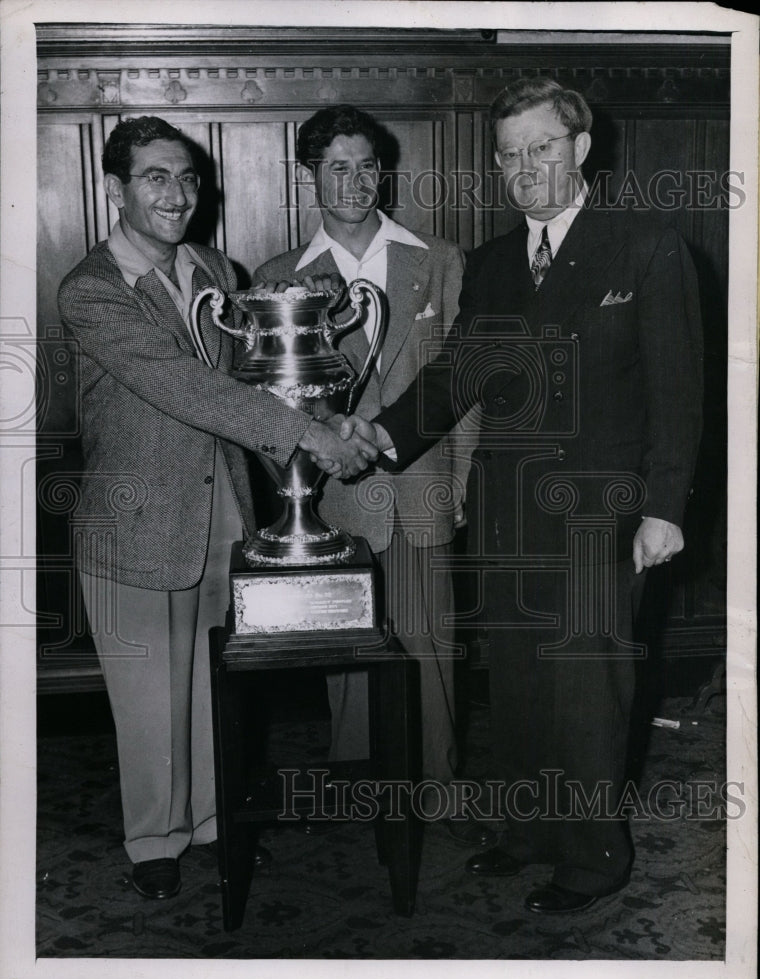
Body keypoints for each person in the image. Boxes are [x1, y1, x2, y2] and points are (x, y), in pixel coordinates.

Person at [345, 77, 703, 913]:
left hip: (601, 518)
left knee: (586, 689)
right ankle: (532, 830)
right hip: (505, 509)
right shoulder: (496, 262)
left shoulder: (647, 245)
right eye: (509, 154)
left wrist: (665, 509)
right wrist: (382, 437)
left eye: (543, 146)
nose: (525, 167)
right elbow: (457, 375)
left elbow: (680, 392)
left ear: (582, 148)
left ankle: (591, 855)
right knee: (516, 683)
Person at [57, 115, 376, 900]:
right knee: (148, 701)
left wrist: (329, 421)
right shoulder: (92, 291)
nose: (177, 194)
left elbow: (250, 380)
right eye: (156, 178)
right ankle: (154, 843)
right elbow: (185, 386)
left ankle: (209, 824)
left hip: (225, 511)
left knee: (214, 686)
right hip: (135, 522)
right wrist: (307, 431)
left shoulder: (211, 266)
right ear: (115, 190)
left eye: (188, 178)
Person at [253, 105, 491, 844]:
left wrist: (458, 484)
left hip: (422, 490)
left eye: (367, 166)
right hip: (336, 504)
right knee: (349, 657)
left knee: (431, 646)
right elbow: (265, 406)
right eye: (338, 168)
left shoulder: (440, 259)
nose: (356, 183)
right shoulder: (279, 279)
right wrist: (302, 475)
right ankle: (361, 788)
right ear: (312, 177)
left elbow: (465, 389)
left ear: (384, 172)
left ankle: (438, 790)